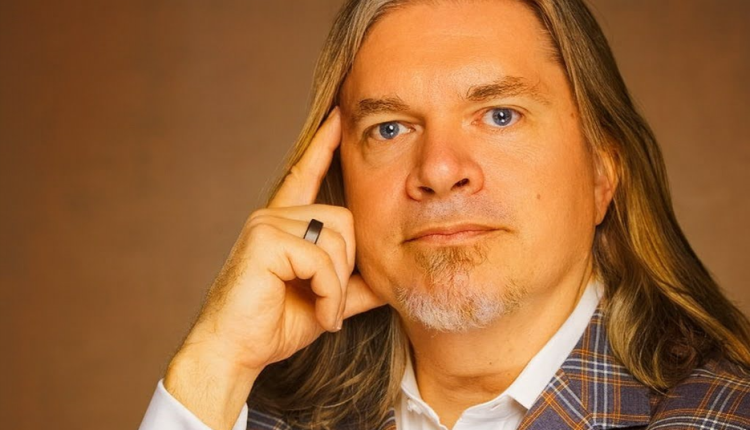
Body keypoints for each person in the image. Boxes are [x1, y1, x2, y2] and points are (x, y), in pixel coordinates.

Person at [140, 0, 750, 429]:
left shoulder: (722, 417)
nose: (438, 168)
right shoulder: (246, 414)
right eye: (390, 127)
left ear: (601, 174)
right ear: (341, 186)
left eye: (500, 115)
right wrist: (214, 365)